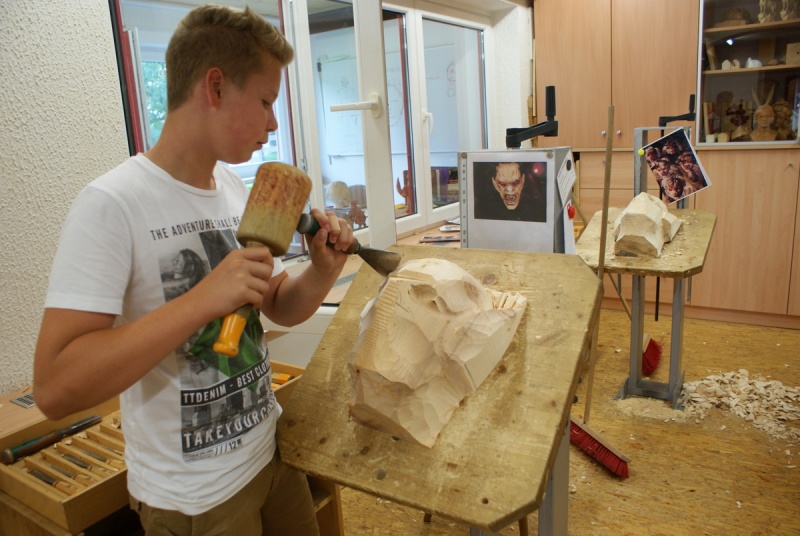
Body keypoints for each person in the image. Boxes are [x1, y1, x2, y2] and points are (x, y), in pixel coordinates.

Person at [33, 5, 354, 535]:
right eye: (266, 101)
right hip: (196, 498)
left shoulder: (231, 188)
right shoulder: (112, 205)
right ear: (215, 87)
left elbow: (276, 304)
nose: (274, 122)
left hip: (271, 454)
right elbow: (54, 388)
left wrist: (320, 271)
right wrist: (203, 299)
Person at [473, 162, 546, 222]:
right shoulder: (484, 212)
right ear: (495, 184)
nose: (509, 189)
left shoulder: (538, 211)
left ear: (523, 181)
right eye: (502, 184)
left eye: (516, 183)